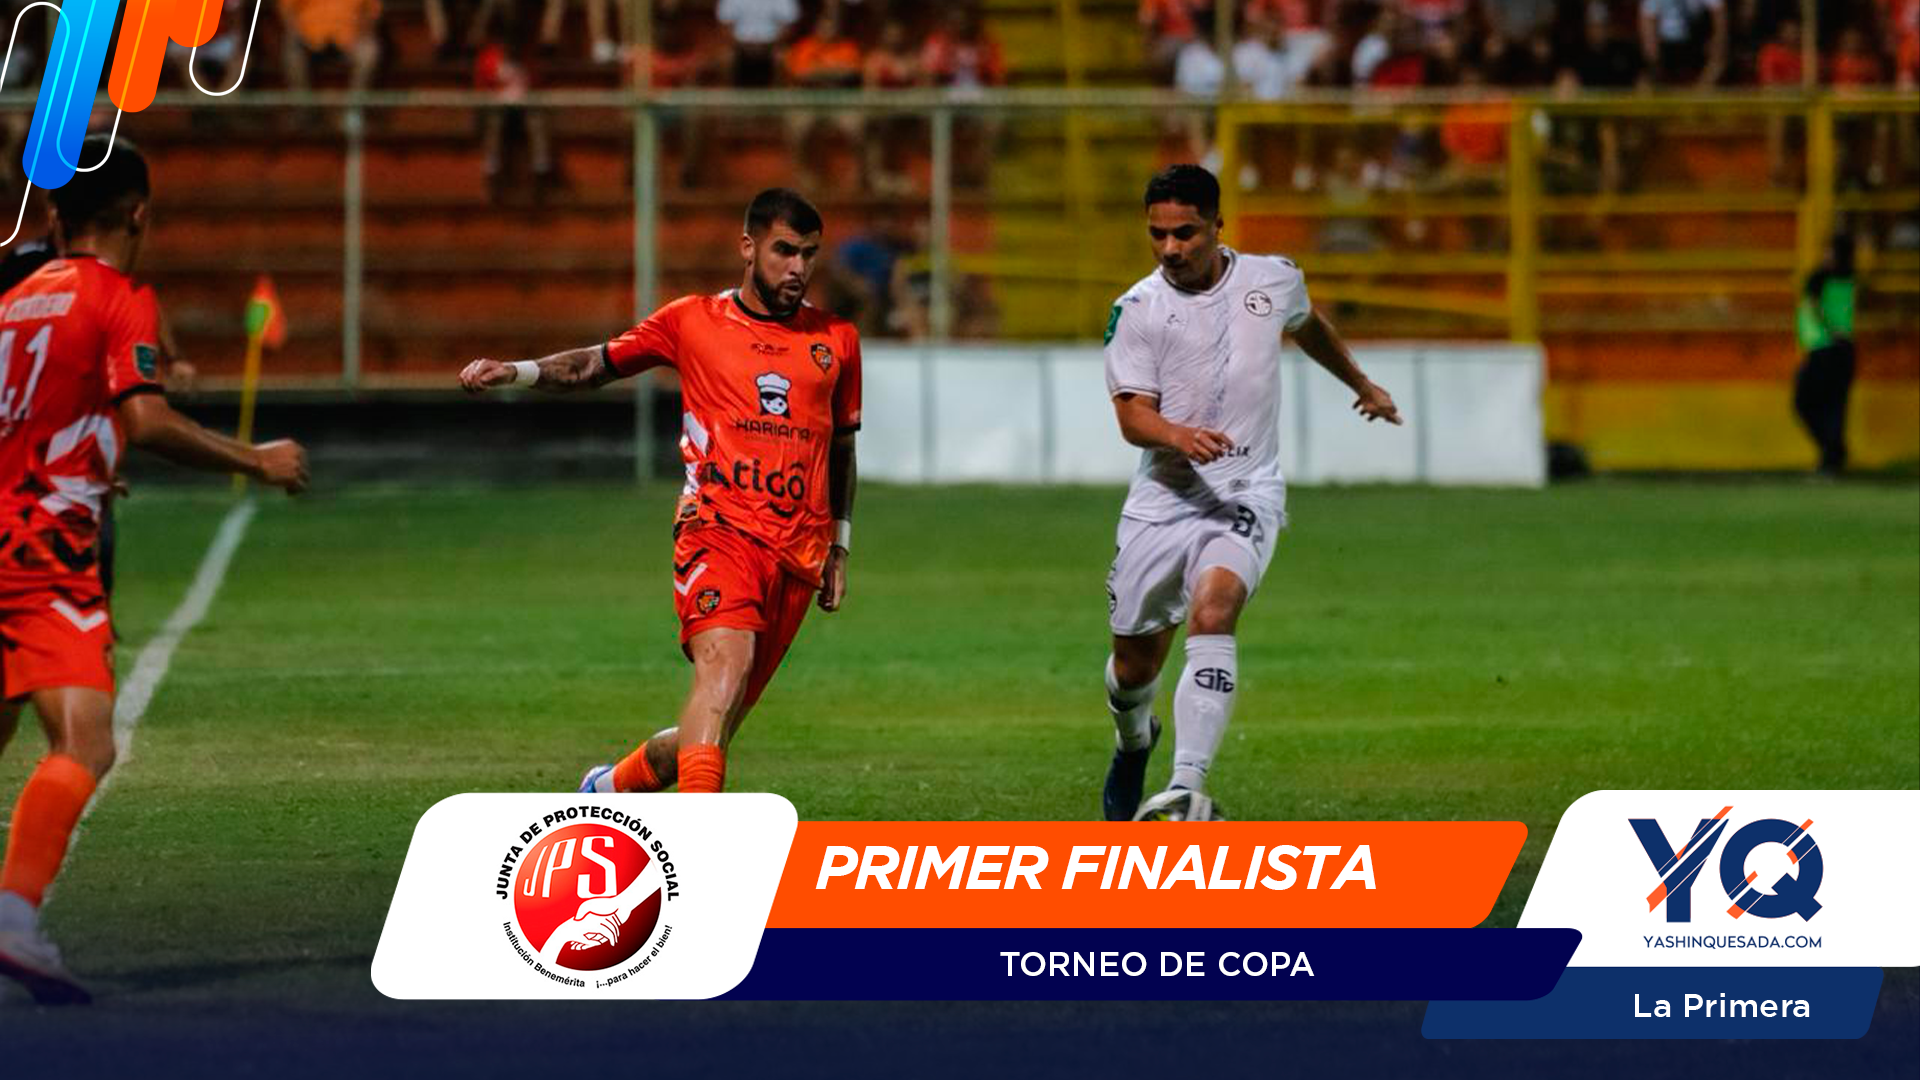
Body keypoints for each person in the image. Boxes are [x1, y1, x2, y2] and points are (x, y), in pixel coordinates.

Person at [0, 136, 309, 1005]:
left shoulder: (13, 302)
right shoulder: (119, 296)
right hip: (43, 551)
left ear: (55, 214)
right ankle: (14, 920)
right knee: (85, 740)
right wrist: (256, 460)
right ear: (138, 213)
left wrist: (83, 456)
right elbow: (147, 418)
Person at [457, 189, 859, 796]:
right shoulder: (692, 320)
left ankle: (605, 790)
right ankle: (697, 841)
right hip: (718, 531)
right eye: (784, 251)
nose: (797, 268)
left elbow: (843, 449)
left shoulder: (837, 340)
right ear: (748, 248)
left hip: (797, 553)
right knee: (723, 670)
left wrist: (839, 545)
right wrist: (519, 371)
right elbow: (594, 364)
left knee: (711, 726)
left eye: (809, 254)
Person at [1099, 165, 1400, 823]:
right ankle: (1134, 741)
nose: (1170, 249)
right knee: (1133, 668)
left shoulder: (1273, 278)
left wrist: (1361, 383)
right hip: (1163, 501)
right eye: (1158, 235)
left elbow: (1307, 324)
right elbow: (1131, 417)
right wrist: (1179, 435)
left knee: (1214, 612)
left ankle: (1185, 787)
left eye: (1185, 233)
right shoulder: (1139, 310)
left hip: (1245, 493)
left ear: (1217, 225)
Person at [1793, 233, 1858, 476]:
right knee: (1834, 407)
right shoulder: (1851, 278)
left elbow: (1813, 306)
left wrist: (1830, 330)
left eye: (1829, 251)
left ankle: (1832, 454)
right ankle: (1833, 455)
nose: (1825, 255)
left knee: (1804, 402)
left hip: (1825, 348)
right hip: (1842, 349)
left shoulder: (1819, 277)